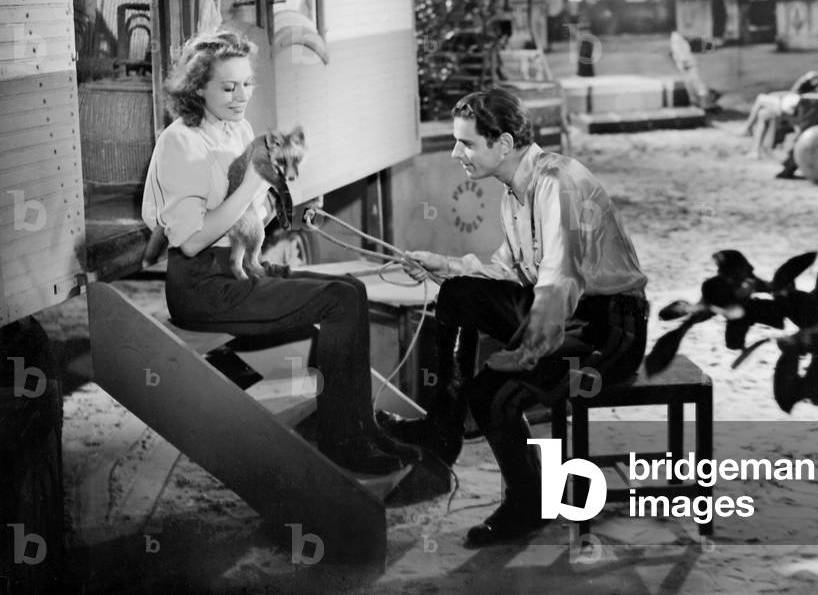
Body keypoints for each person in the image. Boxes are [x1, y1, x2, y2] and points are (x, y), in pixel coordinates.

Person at [378, 88, 649, 547]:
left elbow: (560, 280)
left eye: (466, 143)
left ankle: (504, 482)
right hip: (569, 316)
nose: (455, 153)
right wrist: (445, 266)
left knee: (492, 387)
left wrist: (523, 355)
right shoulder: (515, 191)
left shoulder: (557, 183)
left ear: (503, 143)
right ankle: (455, 435)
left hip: (611, 331)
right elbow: (510, 271)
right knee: (468, 319)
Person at [141, 30, 418, 475]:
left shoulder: (240, 130)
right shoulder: (181, 142)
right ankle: (343, 439)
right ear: (197, 89)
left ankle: (362, 428)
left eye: (247, 84)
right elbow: (191, 240)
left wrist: (287, 205)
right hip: (202, 285)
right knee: (339, 301)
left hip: (236, 268)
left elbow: (248, 219)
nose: (241, 96)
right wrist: (255, 182)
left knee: (350, 289)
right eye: (228, 87)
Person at [743, 56, 818, 159]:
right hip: (800, 111)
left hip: (794, 110)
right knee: (763, 113)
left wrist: (803, 80)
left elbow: (796, 92)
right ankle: (758, 148)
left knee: (761, 100)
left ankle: (749, 132)